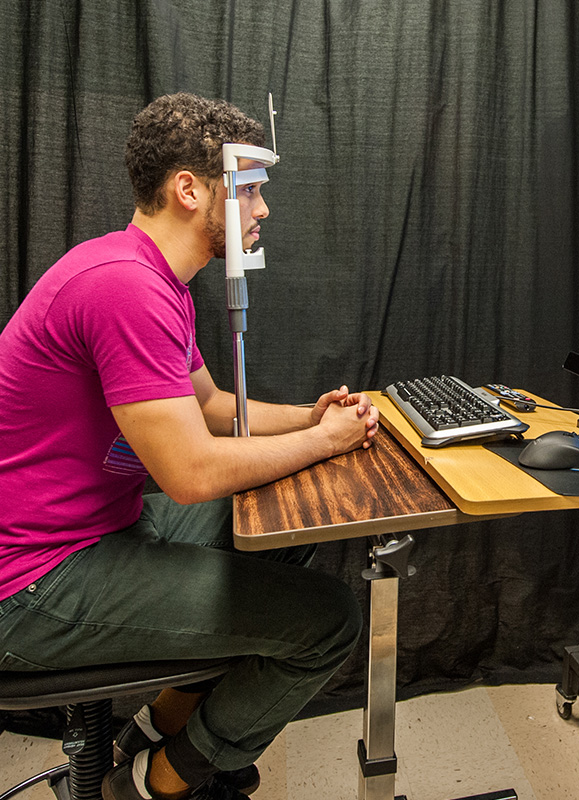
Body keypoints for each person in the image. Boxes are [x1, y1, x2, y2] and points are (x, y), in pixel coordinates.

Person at [0, 93, 379, 800]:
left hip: (94, 531)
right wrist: (326, 443)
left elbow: (208, 408)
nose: (263, 210)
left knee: (281, 528)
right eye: (251, 190)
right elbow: (192, 472)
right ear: (189, 189)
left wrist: (310, 419)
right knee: (329, 623)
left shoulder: (150, 279)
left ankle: (145, 735)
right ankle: (155, 784)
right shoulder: (124, 288)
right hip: (30, 580)